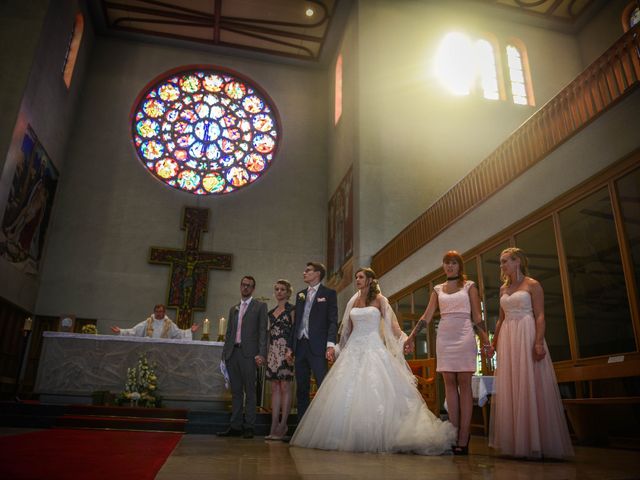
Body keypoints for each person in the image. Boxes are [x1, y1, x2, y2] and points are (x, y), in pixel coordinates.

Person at [290, 267, 456, 454]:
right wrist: (338, 349)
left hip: (373, 347)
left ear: (370, 280)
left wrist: (405, 340)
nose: (357, 280)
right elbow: (348, 331)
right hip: (353, 349)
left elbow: (392, 325)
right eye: (356, 277)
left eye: (361, 277)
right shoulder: (353, 301)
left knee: (375, 388)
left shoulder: (380, 300)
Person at [404, 251, 493, 455]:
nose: (450, 266)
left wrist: (486, 340)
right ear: (443, 266)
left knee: (464, 383)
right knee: (449, 385)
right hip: (444, 337)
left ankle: (464, 434)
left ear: (459, 266)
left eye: (453, 263)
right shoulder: (437, 289)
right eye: (446, 263)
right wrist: (410, 337)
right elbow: (426, 317)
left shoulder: (469, 286)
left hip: (464, 334)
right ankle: (453, 433)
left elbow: (477, 317)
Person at [489, 247, 574, 459]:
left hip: (526, 332)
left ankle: (537, 441)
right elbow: (500, 319)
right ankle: (516, 441)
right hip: (508, 336)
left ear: (518, 262)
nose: (502, 266)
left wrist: (538, 342)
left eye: (505, 261)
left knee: (530, 382)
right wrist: (494, 342)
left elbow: (540, 315)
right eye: (501, 262)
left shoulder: (532, 285)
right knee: (512, 384)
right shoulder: (503, 289)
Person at [286, 262, 338, 422]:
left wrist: (330, 345)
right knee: (301, 388)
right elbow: (296, 323)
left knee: (323, 387)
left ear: (317, 274)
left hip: (318, 347)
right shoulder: (300, 295)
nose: (304, 273)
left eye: (308, 270)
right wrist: (290, 347)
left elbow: (332, 321)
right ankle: (302, 427)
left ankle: (323, 424)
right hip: (300, 346)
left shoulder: (328, 294)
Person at [218, 276, 268, 439]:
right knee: (236, 391)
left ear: (253, 289)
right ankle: (235, 426)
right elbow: (229, 333)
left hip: (249, 354)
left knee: (250, 391)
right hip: (233, 353)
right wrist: (225, 354)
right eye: (243, 285)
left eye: (249, 286)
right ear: (240, 286)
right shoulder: (234, 308)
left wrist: (261, 353)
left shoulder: (260, 306)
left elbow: (262, 331)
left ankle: (249, 426)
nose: (245, 288)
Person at [265, 279, 295, 440]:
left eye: (282, 289)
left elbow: (294, 331)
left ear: (288, 292)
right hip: (273, 351)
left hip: (286, 351)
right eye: (277, 289)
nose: (279, 292)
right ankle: (273, 425)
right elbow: (269, 335)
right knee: (275, 388)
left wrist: (291, 350)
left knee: (285, 386)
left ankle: (283, 425)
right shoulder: (270, 313)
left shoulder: (292, 310)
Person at [110, 304, 198, 339]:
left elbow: (179, 334)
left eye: (161, 312)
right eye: (157, 311)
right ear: (154, 312)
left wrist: (190, 331)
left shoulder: (169, 324)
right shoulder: (148, 322)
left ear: (164, 312)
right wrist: (121, 331)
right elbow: (134, 331)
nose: (159, 313)